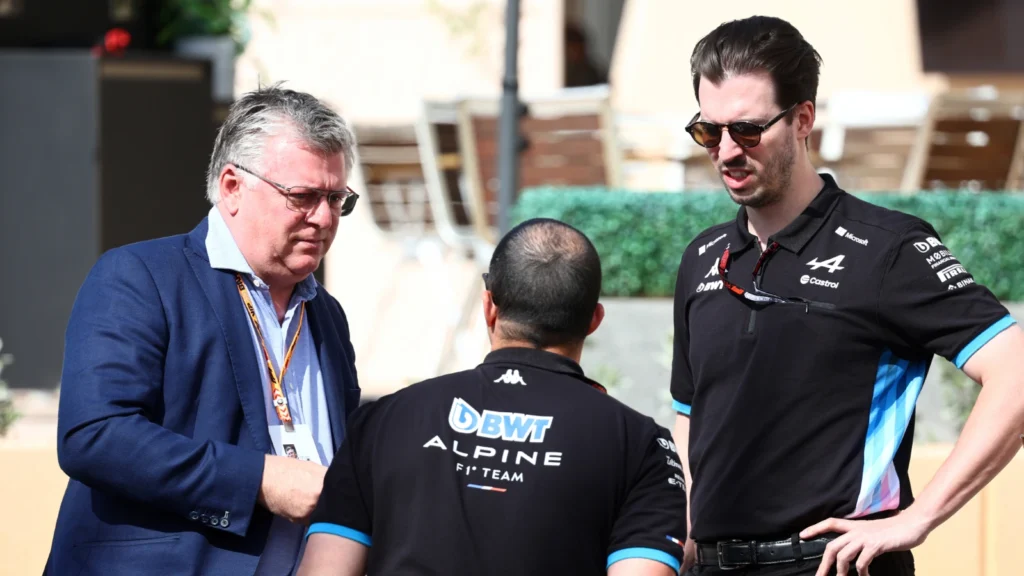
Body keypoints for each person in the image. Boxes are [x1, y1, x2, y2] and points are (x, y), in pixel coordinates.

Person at [669, 15, 1024, 576]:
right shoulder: (701, 257)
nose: (727, 152)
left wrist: (920, 516)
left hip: (832, 564)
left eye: (748, 130)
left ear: (803, 119)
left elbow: (1017, 370)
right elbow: (691, 414)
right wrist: (684, 539)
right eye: (709, 132)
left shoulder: (889, 247)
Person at [45, 83, 363, 576]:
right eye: (302, 196)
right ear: (232, 187)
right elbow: (95, 435)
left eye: (336, 199)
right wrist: (260, 479)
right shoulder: (141, 276)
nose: (323, 218)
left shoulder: (327, 313)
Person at [296, 218, 688, 576]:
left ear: (488, 307)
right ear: (594, 320)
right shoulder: (642, 446)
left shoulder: (383, 420)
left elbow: (325, 568)